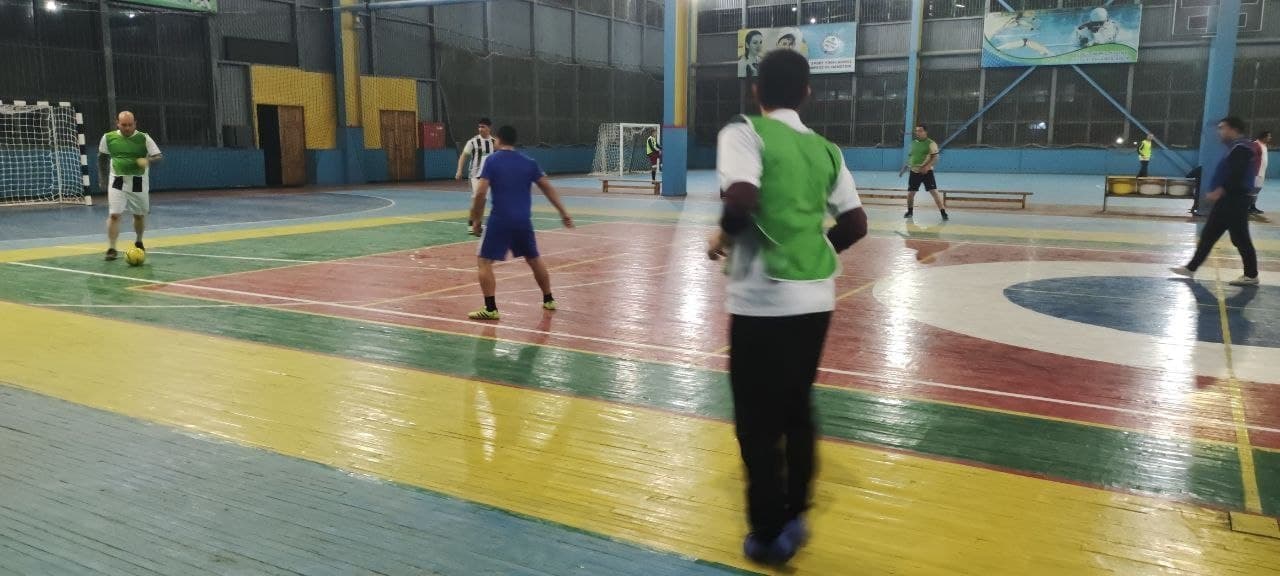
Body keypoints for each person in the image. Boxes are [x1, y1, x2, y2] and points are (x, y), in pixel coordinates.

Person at [708, 49, 868, 566]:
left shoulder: (744, 132)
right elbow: (856, 225)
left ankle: (767, 533)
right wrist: (816, 249)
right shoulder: (826, 150)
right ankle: (796, 512)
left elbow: (741, 198)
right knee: (797, 407)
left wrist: (722, 237)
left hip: (762, 299)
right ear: (807, 94)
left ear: (757, 91)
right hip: (816, 296)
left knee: (756, 422)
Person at [467, 125, 574, 320]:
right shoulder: (529, 162)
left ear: (498, 140)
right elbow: (547, 188)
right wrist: (563, 213)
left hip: (500, 220)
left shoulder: (491, 161)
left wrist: (476, 219)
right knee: (534, 259)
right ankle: (549, 299)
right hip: (523, 221)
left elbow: (480, 193)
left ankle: (490, 309)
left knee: (483, 261)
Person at [1171, 117, 1260, 286]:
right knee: (1210, 234)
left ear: (1233, 129)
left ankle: (1251, 275)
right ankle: (1191, 268)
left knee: (1239, 238)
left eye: (1222, 128)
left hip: (1234, 200)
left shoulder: (1241, 148)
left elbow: (1237, 174)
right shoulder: (1236, 147)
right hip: (1229, 200)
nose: (1219, 132)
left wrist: (1220, 190)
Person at [98, 111, 162, 261]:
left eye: (130, 125)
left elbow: (158, 156)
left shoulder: (144, 138)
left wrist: (148, 161)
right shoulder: (108, 138)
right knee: (114, 215)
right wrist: (102, 178)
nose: (127, 128)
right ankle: (112, 248)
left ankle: (139, 241)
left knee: (139, 215)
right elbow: (102, 158)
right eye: (124, 125)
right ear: (117, 124)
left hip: (138, 181)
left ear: (135, 124)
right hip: (117, 180)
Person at [899, 125, 947, 221]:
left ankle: (943, 213)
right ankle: (909, 212)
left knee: (934, 192)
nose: (918, 132)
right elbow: (911, 157)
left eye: (920, 131)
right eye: (917, 131)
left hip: (927, 173)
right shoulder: (913, 143)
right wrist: (904, 168)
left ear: (925, 132)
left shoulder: (931, 143)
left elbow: (936, 158)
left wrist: (927, 167)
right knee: (910, 193)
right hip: (914, 172)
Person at [456, 118, 496, 231]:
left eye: (483, 127)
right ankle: (471, 224)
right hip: (475, 175)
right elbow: (463, 156)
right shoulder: (473, 142)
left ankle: (477, 223)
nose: (480, 129)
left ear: (489, 128)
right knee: (477, 199)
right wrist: (459, 170)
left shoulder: (494, 142)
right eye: (479, 127)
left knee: (482, 200)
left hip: (488, 177)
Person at [1251, 130, 1270, 215]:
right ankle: (1249, 207)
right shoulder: (1256, 144)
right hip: (1256, 172)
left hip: (1261, 172)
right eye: (1269, 136)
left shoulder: (1264, 145)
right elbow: (1252, 158)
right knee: (1252, 190)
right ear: (1264, 137)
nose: (1270, 138)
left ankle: (1252, 207)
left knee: (1256, 190)